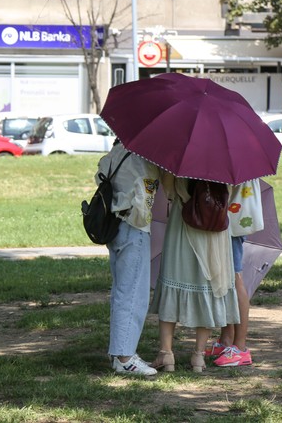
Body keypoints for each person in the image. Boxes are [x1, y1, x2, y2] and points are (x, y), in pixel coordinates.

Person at [148, 174, 240, 373]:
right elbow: (231, 194)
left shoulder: (182, 163)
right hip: (215, 227)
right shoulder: (227, 166)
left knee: (173, 279)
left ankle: (166, 353)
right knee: (209, 286)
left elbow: (169, 190)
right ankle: (198, 355)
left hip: (183, 224)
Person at [95, 140, 161, 377]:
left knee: (121, 291)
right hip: (134, 226)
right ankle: (125, 357)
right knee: (133, 293)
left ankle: (118, 352)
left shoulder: (118, 149)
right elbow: (149, 194)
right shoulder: (147, 157)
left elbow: (100, 174)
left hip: (114, 224)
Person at [209, 179, 264, 367]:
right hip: (230, 216)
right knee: (226, 279)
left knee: (234, 277)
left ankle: (240, 348)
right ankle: (226, 339)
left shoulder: (240, 164)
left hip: (232, 220)